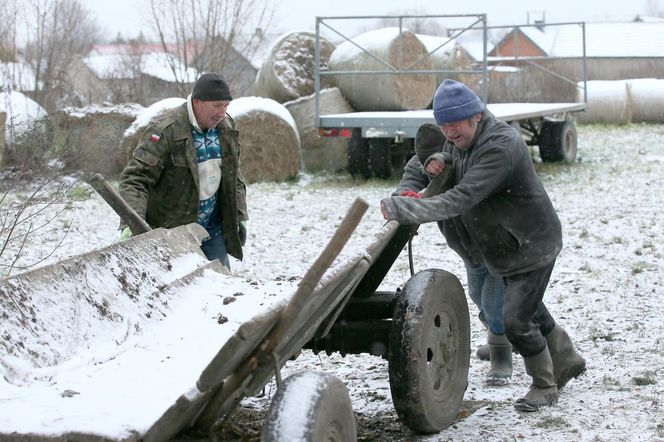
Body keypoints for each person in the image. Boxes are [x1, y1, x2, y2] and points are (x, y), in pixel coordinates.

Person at [380, 79, 586, 412]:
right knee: (521, 308)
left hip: (529, 244)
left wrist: (408, 209)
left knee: (515, 319)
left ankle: (545, 383)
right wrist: (408, 189)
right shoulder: (452, 140)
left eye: (455, 123)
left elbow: (462, 197)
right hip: (492, 244)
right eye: (443, 125)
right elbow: (416, 168)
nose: (449, 132)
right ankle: (566, 357)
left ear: (476, 115)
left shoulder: (500, 146)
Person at [393, 122, 512, 386]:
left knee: (495, 301)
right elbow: (409, 181)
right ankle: (506, 331)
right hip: (467, 245)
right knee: (479, 294)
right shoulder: (424, 160)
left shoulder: (475, 156)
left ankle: (503, 352)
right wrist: (407, 196)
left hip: (498, 241)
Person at [119, 73, 247, 269]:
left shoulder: (225, 127)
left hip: (212, 229)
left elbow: (233, 175)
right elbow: (135, 179)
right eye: (217, 106)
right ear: (196, 102)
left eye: (226, 106)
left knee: (222, 289)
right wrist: (131, 221)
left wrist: (237, 216)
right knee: (177, 292)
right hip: (172, 233)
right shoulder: (165, 131)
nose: (222, 113)